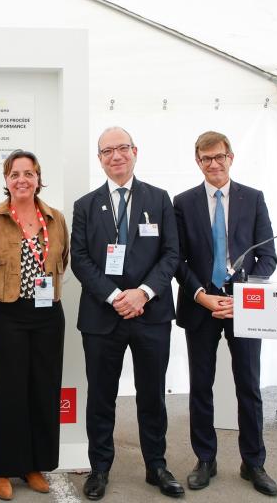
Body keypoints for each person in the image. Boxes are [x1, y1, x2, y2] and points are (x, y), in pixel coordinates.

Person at [71, 127, 183, 500]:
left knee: (152, 395)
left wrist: (143, 293)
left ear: (135, 151)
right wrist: (116, 295)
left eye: (122, 148)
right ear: (99, 158)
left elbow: (171, 253)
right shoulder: (86, 205)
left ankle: (156, 466)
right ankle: (100, 468)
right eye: (107, 151)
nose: (116, 156)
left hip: (151, 314)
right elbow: (80, 260)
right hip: (102, 316)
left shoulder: (159, 198)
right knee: (101, 397)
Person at [173, 131, 277, 496]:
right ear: (198, 162)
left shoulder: (254, 198)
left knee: (248, 385)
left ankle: (254, 462)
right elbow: (177, 259)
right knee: (201, 386)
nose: (214, 164)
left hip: (243, 307)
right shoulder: (183, 202)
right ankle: (205, 459)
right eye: (206, 159)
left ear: (231, 157)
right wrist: (202, 296)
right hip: (200, 305)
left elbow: (268, 257)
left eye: (219, 157)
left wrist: (241, 296)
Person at [0, 150, 69, 500]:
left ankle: (34, 465)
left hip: (48, 315)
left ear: (38, 178)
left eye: (28, 173)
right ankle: (1, 468)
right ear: (6, 180)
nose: (22, 180)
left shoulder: (55, 219)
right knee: (8, 393)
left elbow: (63, 259)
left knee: (43, 391)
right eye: (15, 174)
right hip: (6, 314)